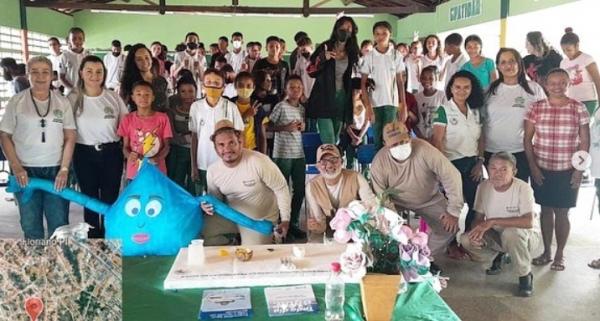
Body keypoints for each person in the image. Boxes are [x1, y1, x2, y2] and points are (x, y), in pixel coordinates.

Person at [0, 56, 76, 239]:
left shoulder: (62, 102)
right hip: (25, 170)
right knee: (30, 223)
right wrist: (17, 168)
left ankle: (58, 265)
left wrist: (64, 169)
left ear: (52, 76)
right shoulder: (17, 101)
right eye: (35, 72)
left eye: (45, 72)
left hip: (56, 170)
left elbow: (70, 136)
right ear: (28, 75)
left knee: (59, 224)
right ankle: (37, 266)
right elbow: (4, 136)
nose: (40, 77)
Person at [525, 68, 590, 272]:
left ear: (568, 83)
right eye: (552, 83)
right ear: (545, 84)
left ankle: (560, 254)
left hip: (567, 169)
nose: (557, 86)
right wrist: (534, 168)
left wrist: (578, 170)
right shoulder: (536, 108)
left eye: (562, 82)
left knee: (563, 213)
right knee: (545, 211)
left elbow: (585, 142)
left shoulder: (578, 108)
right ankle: (546, 252)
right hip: (542, 168)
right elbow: (527, 139)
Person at [371, 121, 463, 265]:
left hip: (429, 199)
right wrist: (394, 224)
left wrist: (453, 210)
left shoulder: (425, 149)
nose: (400, 146)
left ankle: (422, 257)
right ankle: (396, 258)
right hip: (396, 203)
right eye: (394, 144)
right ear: (385, 143)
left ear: (410, 136)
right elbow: (381, 197)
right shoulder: (379, 162)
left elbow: (451, 175)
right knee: (381, 229)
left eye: (403, 141)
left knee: (449, 228)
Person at [460, 152, 542, 297]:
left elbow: (528, 221)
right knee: (465, 239)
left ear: (514, 172)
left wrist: (493, 221)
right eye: (493, 168)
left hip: (525, 236)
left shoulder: (523, 188)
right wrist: (477, 231)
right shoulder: (483, 187)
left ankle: (525, 274)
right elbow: (478, 218)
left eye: (504, 169)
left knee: (511, 233)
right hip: (498, 233)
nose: (497, 173)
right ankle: (500, 254)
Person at [201, 119, 291, 245]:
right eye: (221, 144)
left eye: (231, 143)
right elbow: (217, 202)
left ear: (240, 142)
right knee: (198, 235)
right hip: (231, 216)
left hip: (260, 221)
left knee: (254, 256)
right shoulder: (212, 171)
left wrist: (286, 220)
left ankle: (270, 239)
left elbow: (281, 188)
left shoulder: (259, 161)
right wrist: (207, 207)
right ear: (215, 149)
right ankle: (231, 243)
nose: (227, 149)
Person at [68, 55, 128, 238]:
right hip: (83, 154)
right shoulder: (72, 98)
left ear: (104, 74)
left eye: (99, 72)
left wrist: (126, 152)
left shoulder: (113, 98)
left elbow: (125, 126)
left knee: (110, 197)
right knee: (90, 198)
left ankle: (110, 237)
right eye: (89, 71)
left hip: (111, 153)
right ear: (81, 73)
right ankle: (93, 240)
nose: (94, 76)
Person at [432, 70, 485, 238]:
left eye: (466, 87)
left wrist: (480, 162)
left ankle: (469, 238)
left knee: (476, 204)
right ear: (451, 89)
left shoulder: (475, 110)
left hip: (473, 164)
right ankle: (450, 244)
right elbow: (437, 141)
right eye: (458, 87)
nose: (462, 91)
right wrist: (443, 171)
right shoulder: (443, 110)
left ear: (472, 89)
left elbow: (481, 138)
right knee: (451, 206)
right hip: (451, 164)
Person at [483, 48, 546, 183]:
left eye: (512, 61)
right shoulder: (489, 90)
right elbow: (481, 121)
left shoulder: (534, 89)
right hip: (492, 150)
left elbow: (544, 120)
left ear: (519, 63)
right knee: (497, 193)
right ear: (498, 66)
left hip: (521, 150)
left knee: (519, 193)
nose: (508, 66)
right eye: (503, 62)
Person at [306, 144, 376, 242]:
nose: (330, 165)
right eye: (324, 162)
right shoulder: (312, 186)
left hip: (356, 231)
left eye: (334, 160)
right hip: (328, 233)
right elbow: (320, 223)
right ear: (317, 166)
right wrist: (315, 226)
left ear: (342, 162)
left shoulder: (356, 178)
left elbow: (372, 207)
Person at [189, 68, 244, 194]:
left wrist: (238, 163)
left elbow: (240, 136)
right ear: (203, 85)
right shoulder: (196, 107)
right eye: (208, 82)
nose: (212, 86)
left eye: (216, 83)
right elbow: (194, 137)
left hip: (227, 163)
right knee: (204, 201)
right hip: (203, 162)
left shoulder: (231, 107)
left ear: (223, 87)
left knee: (225, 200)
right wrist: (194, 166)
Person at [307, 16, 359, 145]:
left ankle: (333, 163)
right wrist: (323, 58)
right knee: (328, 139)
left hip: (342, 98)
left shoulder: (352, 51)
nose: (345, 30)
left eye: (348, 28)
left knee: (336, 138)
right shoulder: (325, 47)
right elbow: (311, 71)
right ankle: (328, 163)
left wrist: (364, 82)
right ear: (336, 29)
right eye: (342, 27)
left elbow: (350, 78)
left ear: (352, 32)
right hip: (324, 98)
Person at [268, 75, 307, 240]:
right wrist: (286, 127)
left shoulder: (302, 109)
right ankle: (280, 223)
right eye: (292, 87)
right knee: (281, 190)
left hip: (299, 154)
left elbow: (300, 129)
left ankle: (293, 224)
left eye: (299, 87)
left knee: (299, 190)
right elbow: (268, 126)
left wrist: (301, 127)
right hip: (282, 154)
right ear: (286, 89)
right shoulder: (280, 106)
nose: (296, 90)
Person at [360, 21, 406, 151]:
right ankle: (377, 170)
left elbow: (400, 81)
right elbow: (363, 83)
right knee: (377, 140)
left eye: (384, 33)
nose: (381, 37)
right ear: (374, 36)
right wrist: (368, 106)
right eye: (377, 34)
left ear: (390, 34)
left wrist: (403, 105)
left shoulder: (396, 55)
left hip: (392, 104)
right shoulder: (369, 56)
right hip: (374, 104)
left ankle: (391, 169)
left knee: (390, 139)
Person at [117, 80, 172, 181]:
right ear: (133, 97)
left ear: (153, 97)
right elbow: (125, 147)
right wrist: (129, 155)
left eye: (147, 94)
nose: (143, 97)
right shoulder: (127, 119)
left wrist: (157, 158)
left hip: (157, 171)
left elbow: (167, 146)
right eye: (138, 94)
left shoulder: (163, 118)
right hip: (134, 172)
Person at [166, 76, 196, 194]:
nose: (187, 95)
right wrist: (182, 139)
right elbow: (171, 137)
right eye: (183, 91)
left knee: (194, 183)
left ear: (196, 92)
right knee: (176, 182)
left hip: (197, 154)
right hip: (177, 154)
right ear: (177, 93)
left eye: (190, 91)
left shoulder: (201, 110)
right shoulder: (172, 112)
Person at [560, 28, 600, 116]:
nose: (566, 53)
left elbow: (598, 81)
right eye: (563, 51)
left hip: (588, 100)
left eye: (569, 50)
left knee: (584, 126)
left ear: (577, 45)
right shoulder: (563, 63)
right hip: (572, 101)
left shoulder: (587, 59)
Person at [120, 43, 169, 112]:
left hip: (161, 121)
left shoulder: (161, 80)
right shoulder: (129, 82)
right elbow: (122, 107)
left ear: (151, 59)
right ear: (134, 62)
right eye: (139, 59)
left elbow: (166, 106)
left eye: (146, 57)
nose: (144, 62)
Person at [339, 78, 370, 170]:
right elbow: (345, 122)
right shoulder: (345, 103)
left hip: (361, 132)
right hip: (349, 132)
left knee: (364, 156)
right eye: (353, 90)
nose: (355, 92)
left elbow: (367, 121)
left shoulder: (366, 103)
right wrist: (353, 136)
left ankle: (365, 176)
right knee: (349, 156)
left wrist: (359, 136)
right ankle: (349, 174)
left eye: (358, 90)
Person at [251, 69, 279, 155]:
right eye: (267, 80)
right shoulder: (251, 98)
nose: (270, 83)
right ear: (259, 81)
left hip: (271, 136)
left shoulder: (274, 98)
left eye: (270, 80)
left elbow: (275, 117)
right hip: (255, 137)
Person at [253, 36, 289, 101]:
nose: (274, 49)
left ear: (280, 48)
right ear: (266, 48)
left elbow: (288, 81)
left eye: (277, 47)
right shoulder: (260, 63)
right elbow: (253, 80)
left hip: (280, 100)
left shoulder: (284, 64)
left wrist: (285, 96)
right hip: (262, 100)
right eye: (271, 46)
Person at [415, 66, 446, 140]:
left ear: (436, 79)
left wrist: (436, 137)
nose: (427, 81)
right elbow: (414, 122)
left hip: (438, 138)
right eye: (423, 78)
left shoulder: (442, 96)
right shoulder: (416, 97)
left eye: (431, 78)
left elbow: (446, 119)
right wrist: (421, 137)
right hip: (421, 138)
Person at [230, 71, 259, 151]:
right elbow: (228, 127)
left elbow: (262, 134)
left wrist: (262, 155)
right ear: (235, 86)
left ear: (254, 87)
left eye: (249, 86)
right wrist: (245, 115)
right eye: (241, 85)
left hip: (252, 148)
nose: (245, 88)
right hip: (233, 148)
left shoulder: (257, 106)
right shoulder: (229, 105)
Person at [59, 27, 90, 95]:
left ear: (84, 39)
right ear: (69, 40)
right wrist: (72, 88)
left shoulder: (88, 55)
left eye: (80, 38)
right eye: (74, 39)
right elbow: (61, 77)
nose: (77, 41)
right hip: (70, 93)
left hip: (86, 91)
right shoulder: (65, 55)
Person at [292, 36, 315, 100]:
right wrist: (301, 94)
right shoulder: (300, 60)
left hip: (318, 96)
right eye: (301, 50)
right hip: (304, 96)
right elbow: (296, 77)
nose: (303, 52)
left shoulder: (318, 60)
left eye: (304, 50)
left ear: (311, 47)